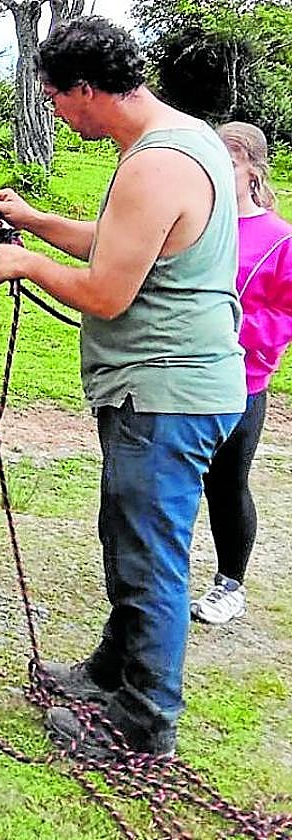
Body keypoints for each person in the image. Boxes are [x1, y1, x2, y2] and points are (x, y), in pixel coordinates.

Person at [0, 18, 245, 757]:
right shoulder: (178, 141)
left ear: (89, 90)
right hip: (169, 389)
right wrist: (34, 222)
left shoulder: (155, 165)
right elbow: (121, 240)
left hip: (165, 394)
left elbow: (105, 292)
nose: (57, 113)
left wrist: (24, 263)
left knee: (147, 555)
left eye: (57, 99)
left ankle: (144, 721)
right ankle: (114, 669)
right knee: (129, 536)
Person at [191, 122, 292, 625]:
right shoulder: (197, 221)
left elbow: (285, 312)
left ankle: (230, 582)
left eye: (227, 162)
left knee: (226, 485)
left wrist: (237, 333)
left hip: (241, 384)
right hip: (183, 377)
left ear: (252, 168)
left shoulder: (279, 239)